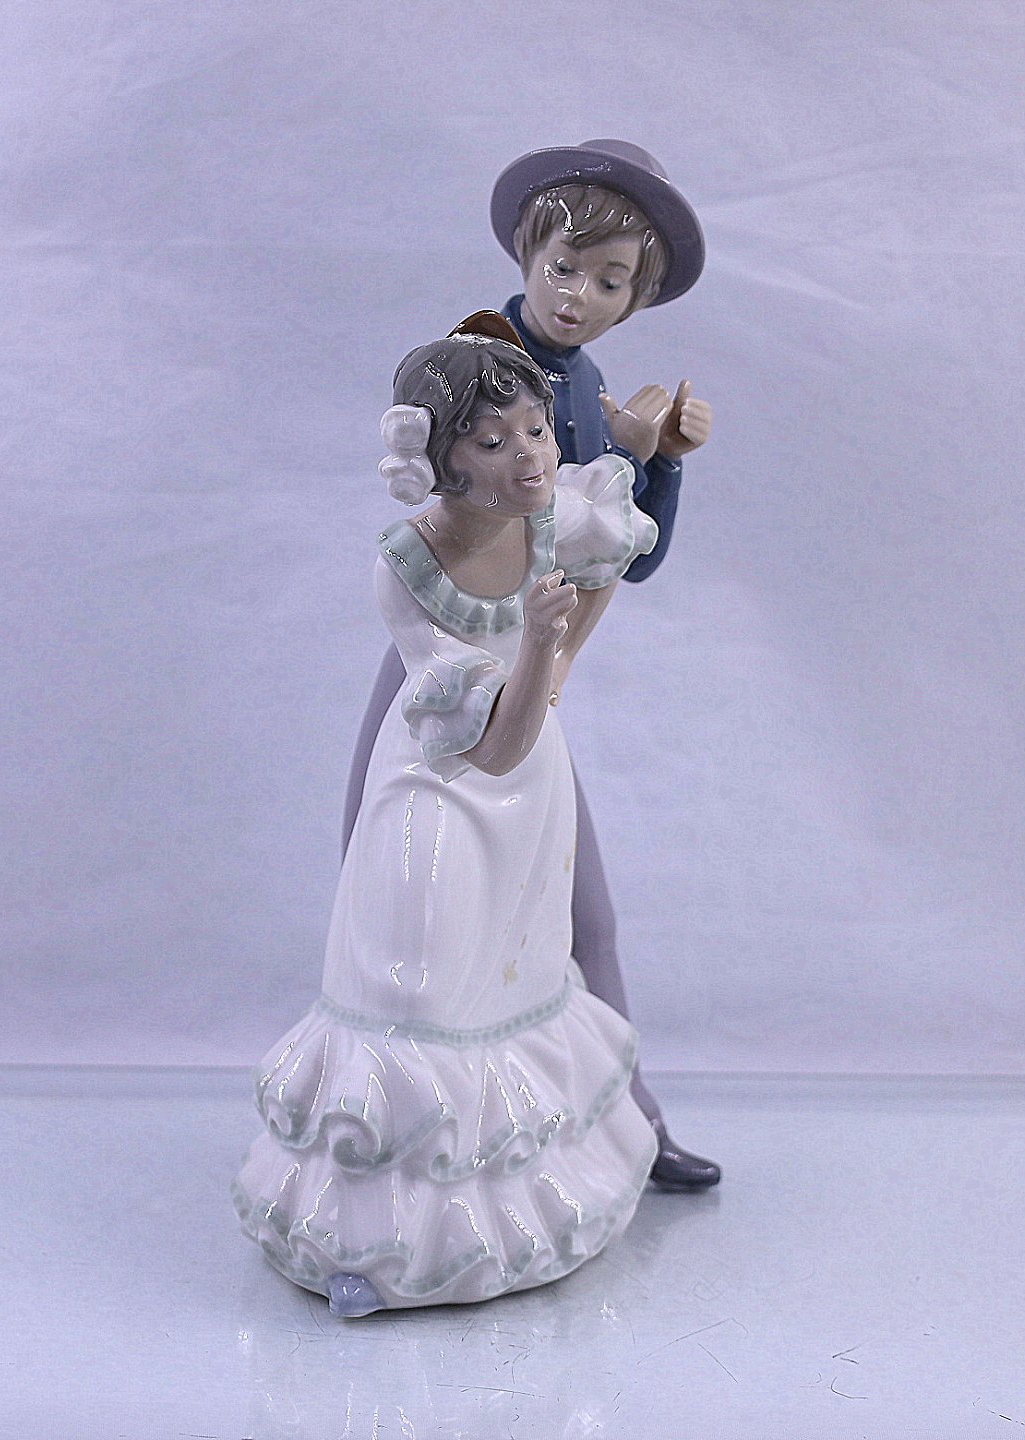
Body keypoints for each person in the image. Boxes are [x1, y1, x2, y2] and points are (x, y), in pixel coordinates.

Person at [234, 315, 661, 1316]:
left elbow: (605, 560)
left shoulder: (554, 514)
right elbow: (485, 745)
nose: (531, 456)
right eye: (494, 441)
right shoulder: (407, 567)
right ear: (442, 462)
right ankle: (365, 1236)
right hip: (445, 773)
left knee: (502, 985)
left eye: (537, 430)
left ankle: (496, 1225)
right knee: (412, 986)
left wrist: (559, 647)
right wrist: (541, 647)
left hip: (529, 786)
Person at [343, 141, 721, 1190]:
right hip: (445, 660)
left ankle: (627, 1121)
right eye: (565, 267)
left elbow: (618, 552)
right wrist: (618, 459)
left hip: (534, 663)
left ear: (635, 300)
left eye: (610, 282)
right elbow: (484, 515)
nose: (578, 297)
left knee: (580, 913)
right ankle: (393, 1146)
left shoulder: (586, 386)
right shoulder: (484, 360)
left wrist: (657, 463)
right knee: (391, 889)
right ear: (526, 253)